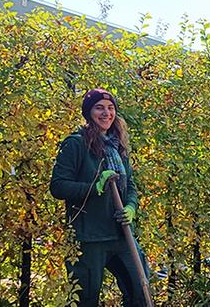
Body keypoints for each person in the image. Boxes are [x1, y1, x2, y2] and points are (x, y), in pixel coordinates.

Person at [50, 89, 149, 306]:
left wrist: (131, 208)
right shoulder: (75, 144)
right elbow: (58, 187)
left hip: (121, 234)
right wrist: (95, 187)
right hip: (89, 238)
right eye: (99, 107)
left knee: (140, 291)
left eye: (110, 108)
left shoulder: (117, 146)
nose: (106, 113)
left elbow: (130, 186)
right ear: (88, 112)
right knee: (85, 300)